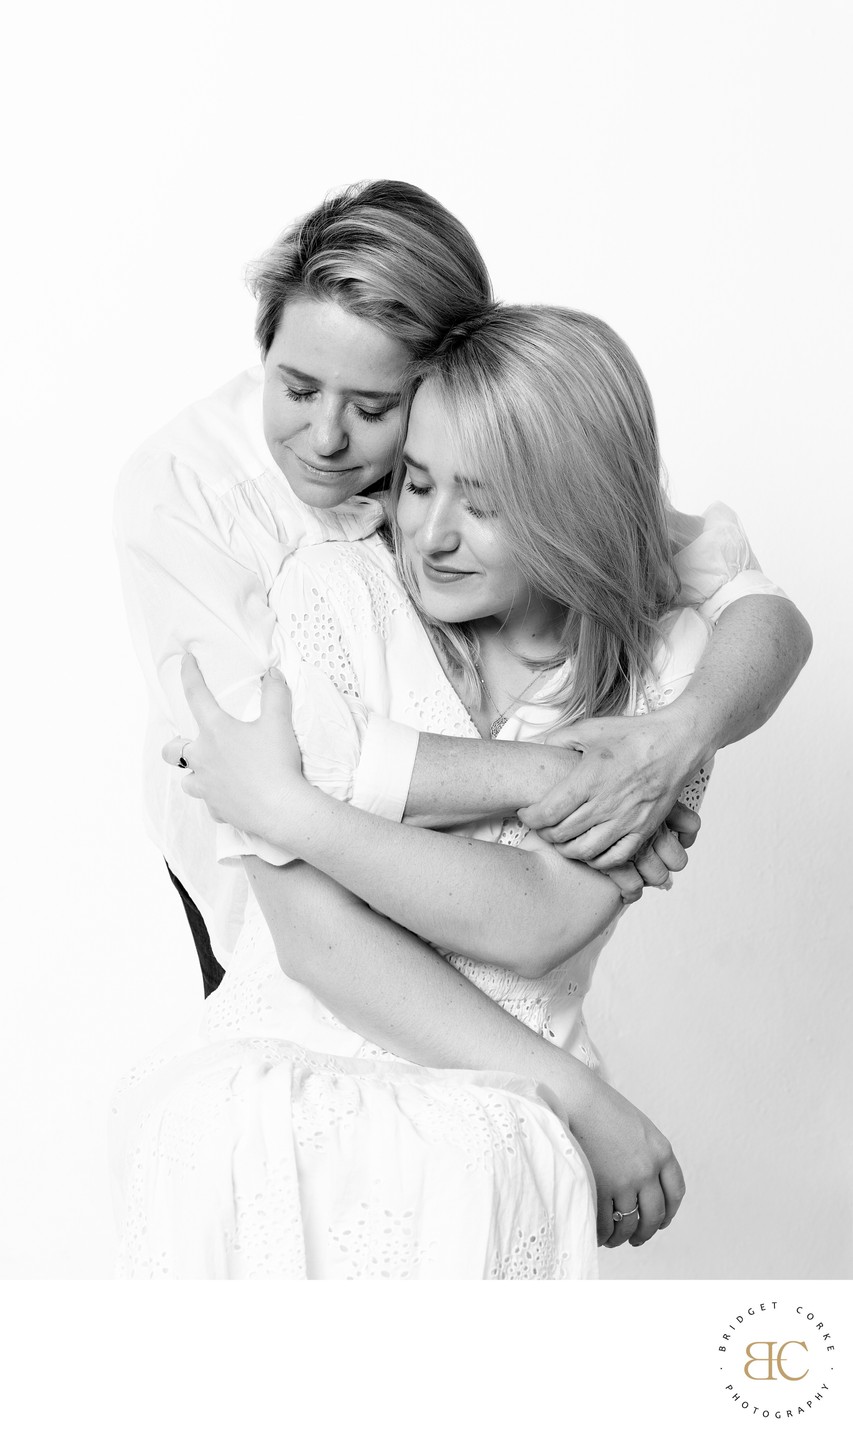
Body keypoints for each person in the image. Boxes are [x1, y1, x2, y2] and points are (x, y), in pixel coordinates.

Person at [112, 305, 809, 1279]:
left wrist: (294, 811)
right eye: (417, 483)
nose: (429, 534)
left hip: (501, 1114)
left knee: (476, 1159)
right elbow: (313, 941)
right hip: (283, 1073)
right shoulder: (326, 593)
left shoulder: (671, 670)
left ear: (575, 509)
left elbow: (535, 922)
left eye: (478, 503)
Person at [114, 179, 812, 998]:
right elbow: (275, 764)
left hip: (441, 869)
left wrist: (675, 739)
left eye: (374, 407)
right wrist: (573, 780)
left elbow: (748, 599)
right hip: (239, 867)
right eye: (296, 388)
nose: (326, 437)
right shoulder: (182, 489)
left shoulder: (468, 446)